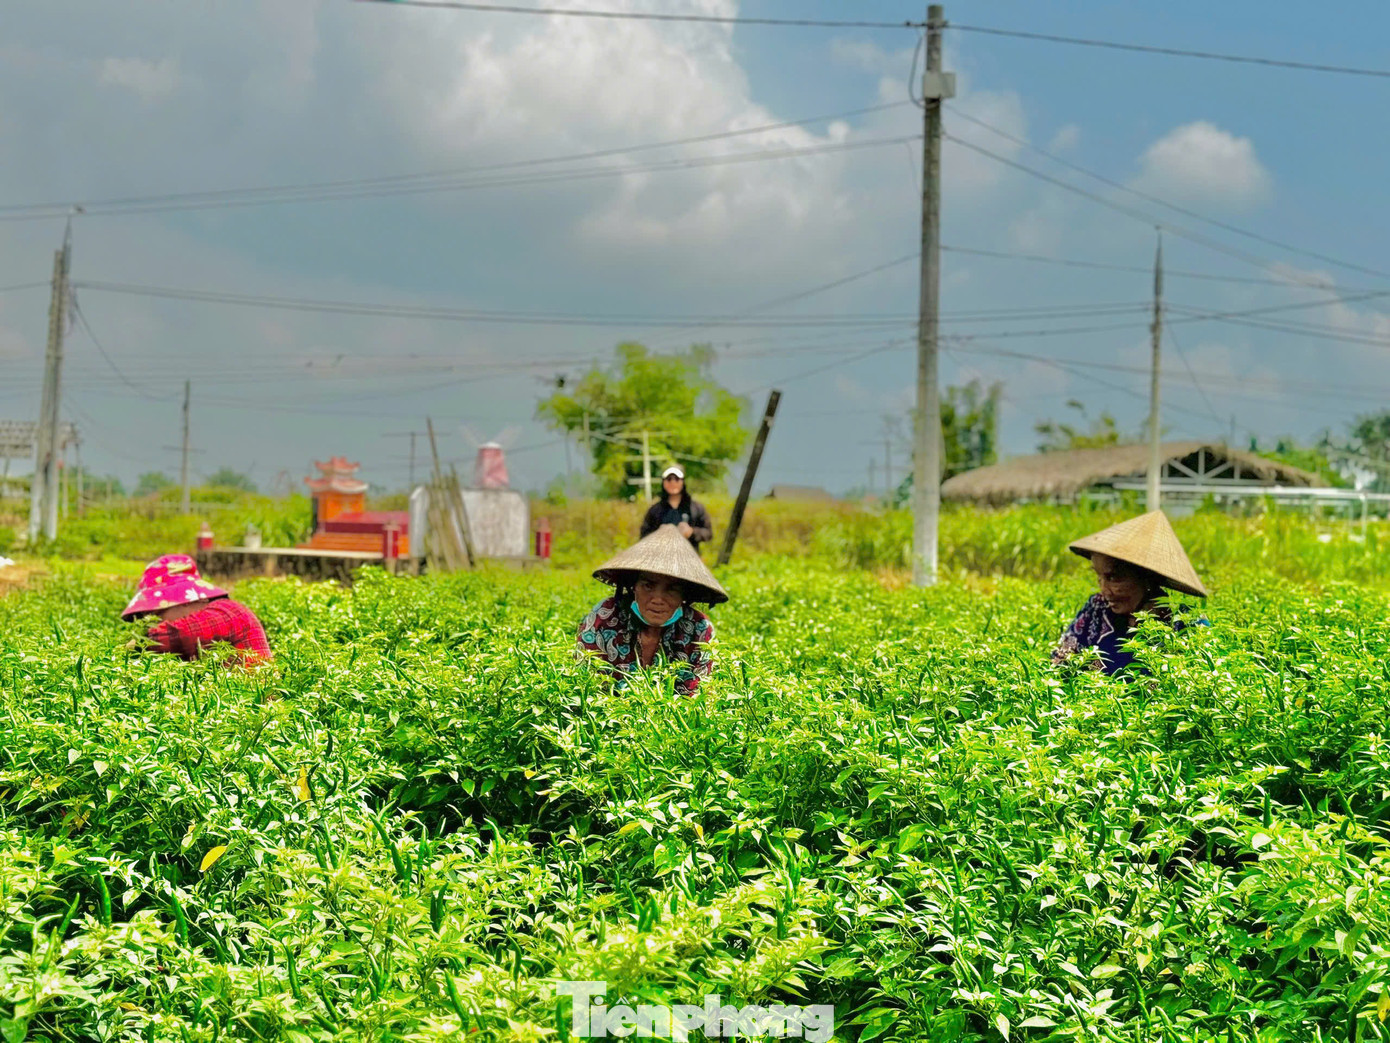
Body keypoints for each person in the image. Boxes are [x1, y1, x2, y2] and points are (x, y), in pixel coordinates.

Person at [1051, 510, 1207, 676]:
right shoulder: (1096, 609)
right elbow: (1059, 664)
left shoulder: (1186, 623)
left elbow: (1203, 683)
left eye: (1113, 578)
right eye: (1099, 577)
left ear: (1147, 578)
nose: (1104, 591)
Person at [577, 524, 726, 695]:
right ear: (634, 587)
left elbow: (700, 697)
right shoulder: (604, 618)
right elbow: (584, 685)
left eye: (672, 589)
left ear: (684, 595)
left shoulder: (699, 630)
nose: (657, 599)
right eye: (648, 585)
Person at [123, 554, 272, 665]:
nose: (155, 622)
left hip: (257, 702)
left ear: (185, 600)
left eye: (155, 613)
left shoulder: (227, 611)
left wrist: (135, 645)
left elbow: (179, 634)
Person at [640, 465, 713, 554]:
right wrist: (658, 534)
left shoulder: (695, 508)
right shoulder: (655, 510)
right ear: (663, 482)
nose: (673, 482)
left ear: (683, 482)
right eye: (669, 479)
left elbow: (708, 533)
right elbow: (644, 536)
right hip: (661, 558)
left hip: (689, 558)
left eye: (677, 479)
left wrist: (691, 532)